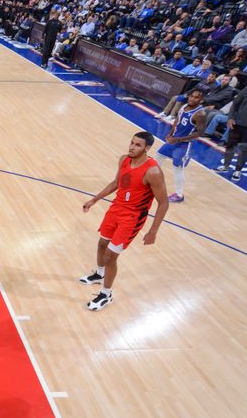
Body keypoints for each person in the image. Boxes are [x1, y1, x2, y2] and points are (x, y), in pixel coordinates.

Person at [79, 132, 169, 311]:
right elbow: (116, 184)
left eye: (137, 145)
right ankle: (99, 273)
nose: (132, 147)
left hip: (132, 217)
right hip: (116, 208)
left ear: (147, 148)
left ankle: (106, 293)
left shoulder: (153, 171)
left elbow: (164, 202)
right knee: (102, 244)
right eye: (132, 143)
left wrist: (153, 231)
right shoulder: (124, 160)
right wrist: (94, 199)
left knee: (111, 256)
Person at [155, 89, 206, 202]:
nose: (192, 99)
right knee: (158, 156)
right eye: (191, 96)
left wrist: (178, 139)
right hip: (174, 139)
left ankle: (179, 195)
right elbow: (177, 120)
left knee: (178, 168)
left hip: (185, 144)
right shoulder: (184, 107)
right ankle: (151, 179)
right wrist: (170, 133)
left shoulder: (200, 114)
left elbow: (199, 133)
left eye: (196, 97)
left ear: (201, 100)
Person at [215, 84, 247, 181]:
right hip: (237, 123)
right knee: (230, 145)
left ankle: (238, 170)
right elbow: (235, 104)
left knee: (245, 150)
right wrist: (230, 118)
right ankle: (225, 166)